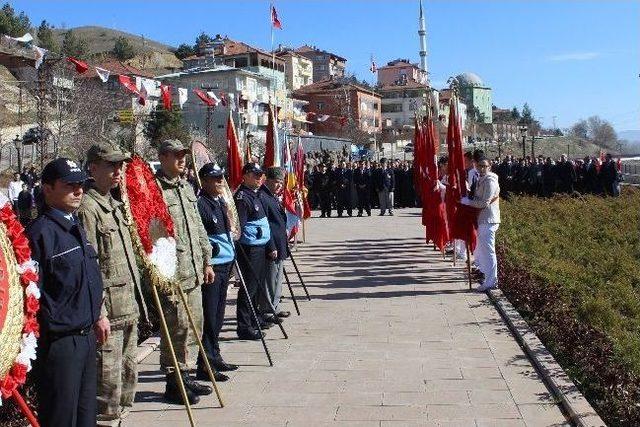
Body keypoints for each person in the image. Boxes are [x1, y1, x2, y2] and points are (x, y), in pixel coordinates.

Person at [27, 158, 103, 427]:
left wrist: (98, 315)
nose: (78, 190)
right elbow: (33, 297)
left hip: (85, 338)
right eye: (69, 185)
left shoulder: (75, 226)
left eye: (80, 184)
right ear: (47, 189)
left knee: (85, 418)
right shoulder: (40, 234)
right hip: (59, 344)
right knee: (61, 418)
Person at [77, 141, 144, 426]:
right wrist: (99, 312)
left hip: (128, 305)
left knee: (127, 382)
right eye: (111, 166)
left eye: (121, 166)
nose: (118, 171)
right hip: (110, 314)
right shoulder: (88, 209)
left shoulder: (116, 205)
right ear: (93, 168)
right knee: (107, 390)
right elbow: (90, 267)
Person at [155, 139, 215, 404]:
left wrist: (206, 260)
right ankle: (174, 380)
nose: (182, 160)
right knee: (177, 328)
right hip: (174, 273)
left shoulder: (186, 187)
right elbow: (153, 236)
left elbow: (198, 228)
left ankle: (187, 374)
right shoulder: (155, 191)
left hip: (194, 270)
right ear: (163, 157)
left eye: (184, 156)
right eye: (177, 156)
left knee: (194, 326)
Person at [196, 163, 238, 382]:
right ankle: (204, 364)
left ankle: (215, 355)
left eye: (222, 177)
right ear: (204, 180)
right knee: (210, 316)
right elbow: (201, 239)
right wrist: (207, 264)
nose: (220, 181)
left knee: (219, 315)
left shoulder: (220, 202)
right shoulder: (200, 204)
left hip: (225, 265)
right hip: (212, 268)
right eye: (215, 178)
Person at [234, 163, 271, 340]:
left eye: (260, 175)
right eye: (255, 175)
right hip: (249, 248)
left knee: (256, 285)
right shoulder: (242, 197)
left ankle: (254, 318)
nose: (259, 178)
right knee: (248, 287)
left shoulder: (255, 194)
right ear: (245, 176)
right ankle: (244, 326)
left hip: (260, 246)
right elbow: (238, 228)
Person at [463, 157, 501, 291]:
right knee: (483, 251)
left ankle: (492, 281)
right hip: (482, 220)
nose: (482, 168)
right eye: (480, 166)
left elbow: (484, 202)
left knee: (489, 251)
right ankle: (487, 278)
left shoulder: (490, 180)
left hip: (488, 219)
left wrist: (467, 202)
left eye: (485, 166)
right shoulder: (482, 179)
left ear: (490, 167)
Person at [258, 167, 291, 322]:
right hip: (272, 246)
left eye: (281, 183)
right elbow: (266, 225)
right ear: (268, 180)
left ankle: (275, 306)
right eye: (276, 182)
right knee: (269, 280)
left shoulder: (271, 196)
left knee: (277, 279)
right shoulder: (263, 196)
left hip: (280, 244)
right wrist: (271, 246)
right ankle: (266, 310)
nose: (279, 186)